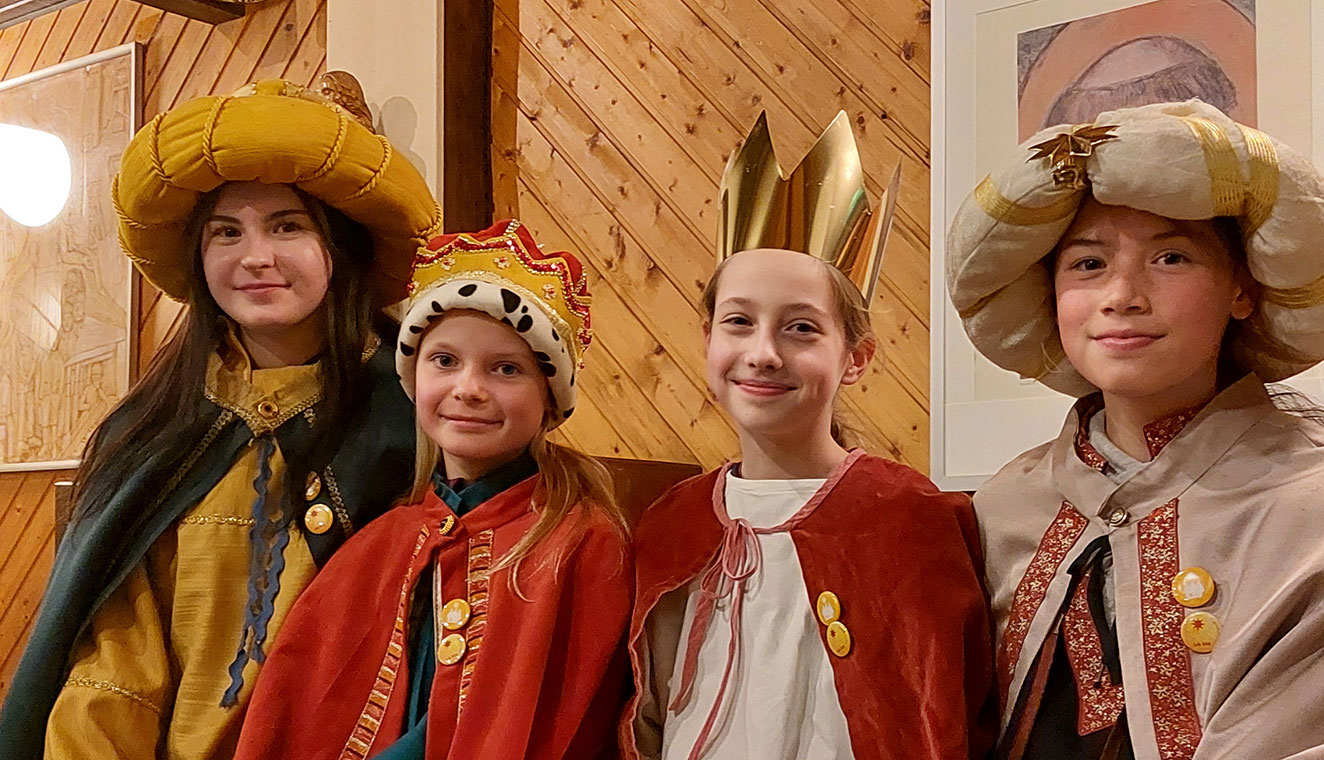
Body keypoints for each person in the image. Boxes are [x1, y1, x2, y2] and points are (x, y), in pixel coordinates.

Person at [0, 74, 441, 760]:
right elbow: (115, 667)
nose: (255, 256)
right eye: (226, 232)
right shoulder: (147, 431)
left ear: (342, 246)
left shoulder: (416, 420)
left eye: (287, 226)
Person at [946, 99, 1324, 759]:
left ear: (1244, 289)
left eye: (1171, 258)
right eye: (1088, 264)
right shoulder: (1004, 508)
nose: (1122, 294)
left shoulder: (1309, 497)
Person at [622, 112, 998, 760]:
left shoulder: (910, 520)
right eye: (738, 322)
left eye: (801, 328)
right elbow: (644, 713)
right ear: (707, 339)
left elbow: (939, 720)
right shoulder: (670, 524)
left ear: (857, 357)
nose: (763, 353)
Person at [232, 219, 632, 760]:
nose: (468, 389)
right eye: (444, 361)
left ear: (549, 402)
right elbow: (294, 705)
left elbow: (553, 724)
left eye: (506, 368)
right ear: (414, 378)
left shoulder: (579, 544)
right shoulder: (378, 544)